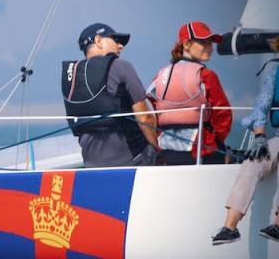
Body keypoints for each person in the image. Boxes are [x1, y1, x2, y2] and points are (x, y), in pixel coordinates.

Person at [62, 22, 160, 167]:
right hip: (131, 159)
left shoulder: (73, 76)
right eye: (115, 40)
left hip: (91, 162)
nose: (121, 46)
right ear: (98, 41)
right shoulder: (122, 66)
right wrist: (158, 148)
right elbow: (145, 118)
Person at [212, 36, 279, 245]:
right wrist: (259, 137)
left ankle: (277, 225)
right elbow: (261, 106)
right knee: (252, 162)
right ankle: (229, 228)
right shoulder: (275, 71)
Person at [148, 21, 232, 165]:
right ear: (186, 44)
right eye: (204, 42)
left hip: (166, 151)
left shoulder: (160, 76)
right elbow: (223, 116)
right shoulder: (206, 75)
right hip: (202, 151)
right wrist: (216, 143)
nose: (210, 48)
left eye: (210, 43)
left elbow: (149, 108)